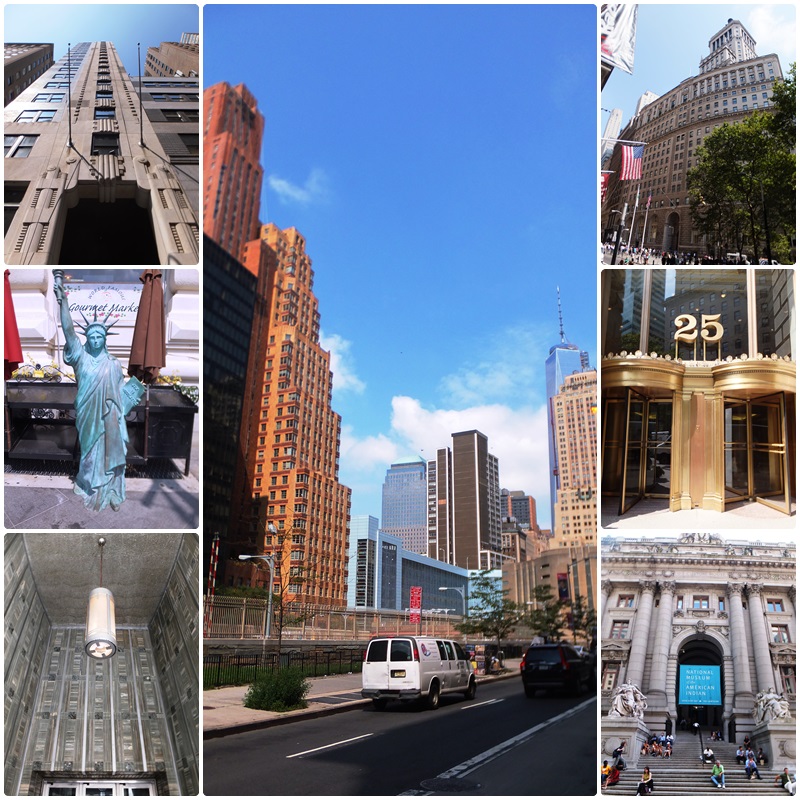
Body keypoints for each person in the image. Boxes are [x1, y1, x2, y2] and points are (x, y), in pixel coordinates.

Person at [54, 279, 143, 512]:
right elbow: (69, 331)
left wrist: (128, 402)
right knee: (90, 454)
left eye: (99, 337)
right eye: (91, 337)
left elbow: (120, 394)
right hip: (87, 415)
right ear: (87, 339)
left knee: (111, 452)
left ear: (104, 340)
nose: (95, 340)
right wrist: (61, 299)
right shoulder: (80, 358)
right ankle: (86, 483)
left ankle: (111, 488)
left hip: (110, 418)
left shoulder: (114, 364)